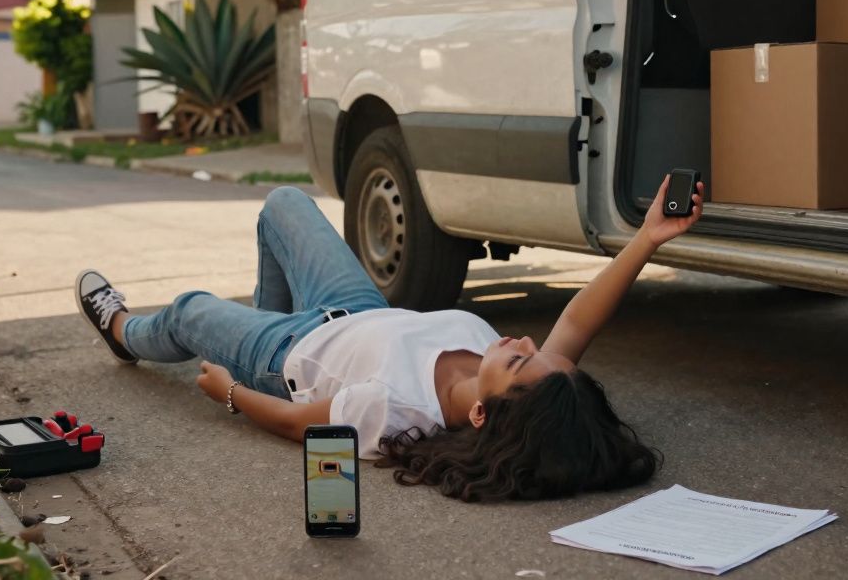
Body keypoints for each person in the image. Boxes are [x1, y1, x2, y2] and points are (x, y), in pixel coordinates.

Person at [75, 175, 704, 502]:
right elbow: (579, 321)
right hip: (353, 308)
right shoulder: (531, 380)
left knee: (188, 310)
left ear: (482, 412)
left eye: (520, 361)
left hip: (281, 358)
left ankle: (125, 331)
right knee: (283, 205)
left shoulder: (397, 414)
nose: (525, 342)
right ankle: (251, 321)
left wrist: (231, 393)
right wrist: (648, 239)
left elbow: (300, 424)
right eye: (535, 353)